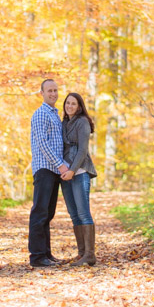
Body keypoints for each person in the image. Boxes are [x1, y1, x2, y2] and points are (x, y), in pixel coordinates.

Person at [28, 78, 69, 267]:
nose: (53, 93)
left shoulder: (54, 114)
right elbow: (43, 144)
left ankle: (46, 253)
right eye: (49, 91)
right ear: (41, 93)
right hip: (45, 168)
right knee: (39, 212)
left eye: (55, 90)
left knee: (48, 213)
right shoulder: (41, 114)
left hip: (53, 170)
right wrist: (60, 165)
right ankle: (36, 257)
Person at [60, 93, 97, 266]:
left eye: (73, 103)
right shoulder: (64, 123)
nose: (70, 106)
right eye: (68, 103)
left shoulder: (82, 122)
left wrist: (73, 171)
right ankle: (82, 254)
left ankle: (90, 255)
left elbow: (82, 150)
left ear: (79, 106)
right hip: (66, 173)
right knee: (74, 215)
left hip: (79, 172)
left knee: (83, 213)